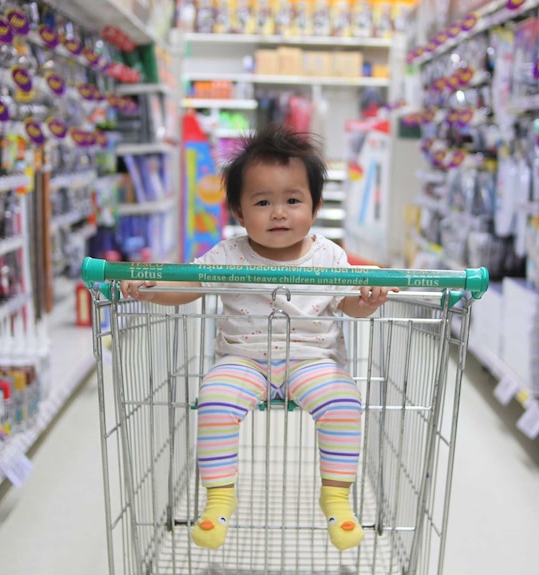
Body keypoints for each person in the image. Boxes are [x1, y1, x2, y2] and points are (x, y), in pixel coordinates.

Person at [121, 124, 396, 552]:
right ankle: (219, 500)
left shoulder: (329, 257)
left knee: (344, 401)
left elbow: (349, 305)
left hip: (313, 360)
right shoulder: (228, 255)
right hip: (243, 361)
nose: (279, 213)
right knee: (213, 397)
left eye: (292, 200)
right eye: (262, 202)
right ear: (237, 211)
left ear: (316, 206)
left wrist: (370, 299)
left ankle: (337, 497)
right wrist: (150, 288)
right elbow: (186, 289)